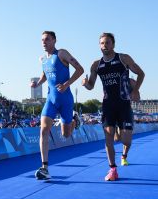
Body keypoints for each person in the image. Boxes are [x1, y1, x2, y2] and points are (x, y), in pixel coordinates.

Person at [82, 33, 145, 181]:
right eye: (102, 43)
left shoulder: (123, 58)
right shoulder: (96, 65)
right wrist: (86, 84)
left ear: (113, 44)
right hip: (108, 105)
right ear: (99, 45)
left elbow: (141, 73)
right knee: (108, 138)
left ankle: (124, 153)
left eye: (107, 43)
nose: (105, 46)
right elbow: (91, 86)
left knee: (126, 141)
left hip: (124, 104)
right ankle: (113, 170)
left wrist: (135, 91)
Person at [31, 31, 84, 180]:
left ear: (54, 40)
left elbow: (80, 69)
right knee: (43, 130)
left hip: (65, 99)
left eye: (47, 39)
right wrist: (37, 84)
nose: (44, 42)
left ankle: (74, 120)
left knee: (66, 135)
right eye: (42, 40)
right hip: (51, 100)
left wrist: (67, 84)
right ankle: (45, 167)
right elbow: (45, 75)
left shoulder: (62, 53)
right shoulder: (42, 59)